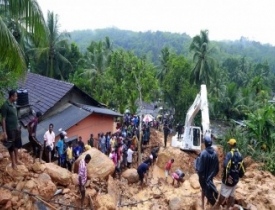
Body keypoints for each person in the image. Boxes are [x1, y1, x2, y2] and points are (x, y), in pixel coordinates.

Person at [213, 139, 245, 210]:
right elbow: (242, 168)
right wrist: (238, 176)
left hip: (228, 179)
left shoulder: (230, 154)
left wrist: (227, 177)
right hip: (235, 180)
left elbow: (225, 165)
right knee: (231, 195)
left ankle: (217, 206)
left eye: (229, 144)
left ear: (231, 145)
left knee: (223, 194)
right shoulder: (240, 155)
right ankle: (227, 208)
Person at [195, 135, 219, 209]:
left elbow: (200, 168)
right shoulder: (215, 154)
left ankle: (202, 205)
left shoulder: (203, 153)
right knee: (210, 187)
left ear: (205, 143)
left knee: (204, 189)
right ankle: (208, 202)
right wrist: (212, 174)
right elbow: (217, 167)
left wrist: (196, 164)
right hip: (210, 176)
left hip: (203, 176)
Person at [1, 90, 23, 169]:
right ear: (11, 97)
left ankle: (17, 159)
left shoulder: (13, 105)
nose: (17, 98)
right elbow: (3, 119)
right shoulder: (5, 106)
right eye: (16, 96)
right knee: (11, 146)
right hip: (10, 129)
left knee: (17, 144)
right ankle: (13, 163)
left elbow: (15, 116)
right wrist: (4, 132)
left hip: (16, 128)